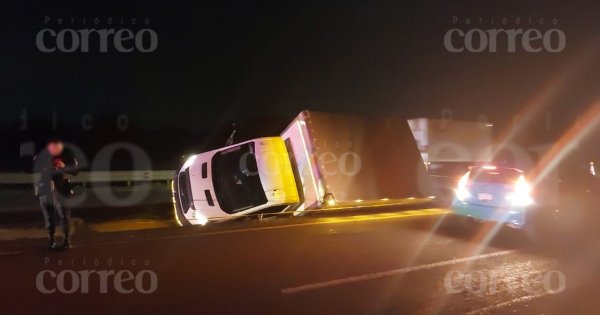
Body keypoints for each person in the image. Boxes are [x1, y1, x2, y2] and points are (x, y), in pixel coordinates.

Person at [33, 139, 79, 250]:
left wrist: (63, 166)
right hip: (46, 189)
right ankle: (51, 241)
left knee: (64, 216)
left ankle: (66, 241)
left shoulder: (67, 155)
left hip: (62, 190)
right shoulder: (42, 156)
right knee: (49, 217)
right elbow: (32, 165)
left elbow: (75, 170)